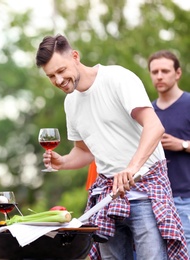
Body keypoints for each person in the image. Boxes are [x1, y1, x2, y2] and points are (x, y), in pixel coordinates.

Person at [35, 34, 188, 259]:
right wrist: (63, 161)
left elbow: (154, 127)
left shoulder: (117, 78)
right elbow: (85, 151)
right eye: (51, 76)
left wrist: (131, 168)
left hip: (145, 193)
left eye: (61, 71)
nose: (58, 80)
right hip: (108, 196)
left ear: (75, 56)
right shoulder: (71, 103)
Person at [148, 50, 190, 255]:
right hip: (154, 202)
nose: (159, 76)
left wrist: (182, 145)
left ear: (178, 73)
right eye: (154, 71)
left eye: (165, 71)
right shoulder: (148, 112)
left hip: (185, 199)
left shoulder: (189, 104)